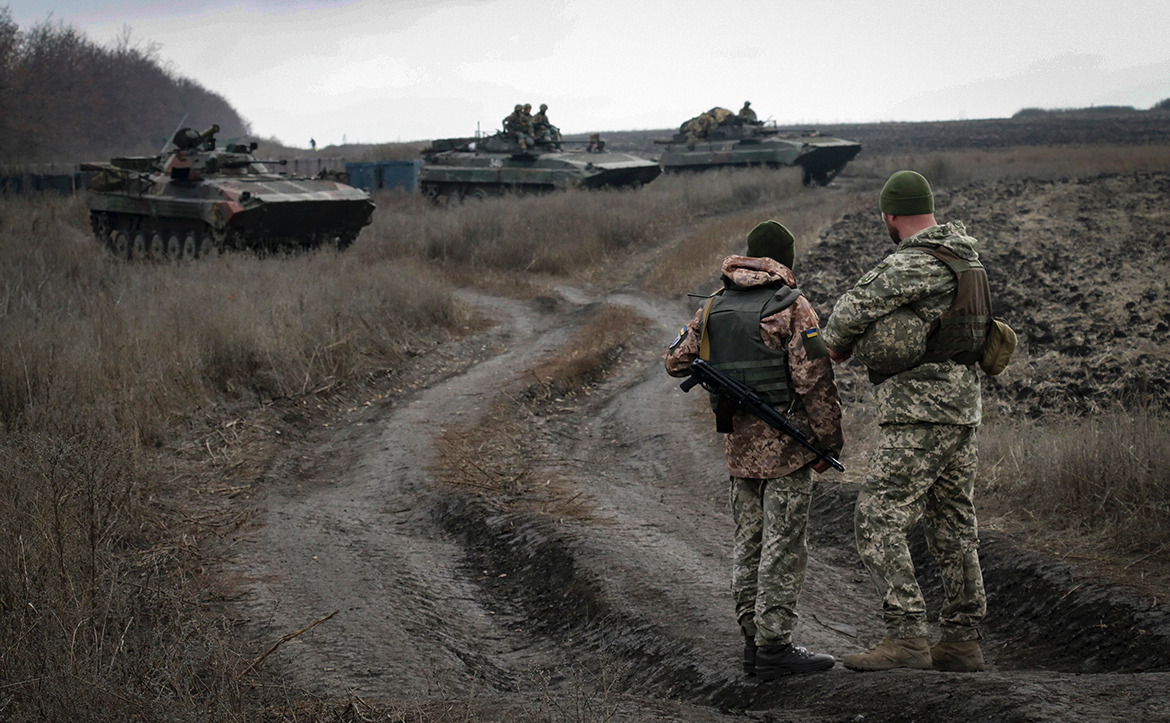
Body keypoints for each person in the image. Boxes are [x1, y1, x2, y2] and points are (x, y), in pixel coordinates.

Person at [821, 170, 991, 673]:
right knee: (953, 524)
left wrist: (839, 346)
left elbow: (846, 316)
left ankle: (907, 635)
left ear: (891, 216)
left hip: (920, 412)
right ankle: (961, 641)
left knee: (876, 517)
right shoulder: (968, 259)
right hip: (961, 409)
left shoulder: (914, 263)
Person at [665, 221, 844, 680]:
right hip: (788, 450)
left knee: (749, 545)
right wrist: (828, 440)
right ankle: (775, 647)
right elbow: (815, 381)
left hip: (739, 450)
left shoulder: (714, 305)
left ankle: (753, 641)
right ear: (786, 259)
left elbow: (674, 362)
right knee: (782, 547)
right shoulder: (790, 305)